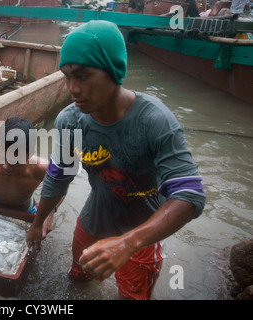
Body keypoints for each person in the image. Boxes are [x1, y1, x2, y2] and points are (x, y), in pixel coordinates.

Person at [25, 21, 206, 300]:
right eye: (66, 77)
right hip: (91, 223)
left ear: (113, 71)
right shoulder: (69, 121)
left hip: (140, 238)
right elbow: (59, 177)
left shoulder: (155, 121)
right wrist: (38, 223)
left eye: (82, 76)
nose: (71, 88)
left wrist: (127, 243)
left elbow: (190, 194)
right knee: (78, 279)